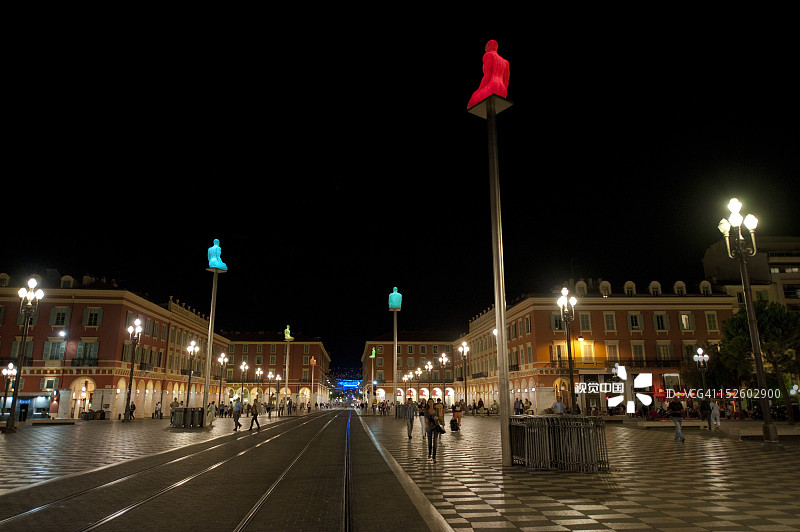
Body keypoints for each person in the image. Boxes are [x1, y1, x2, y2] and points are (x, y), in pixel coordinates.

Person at [467, 40, 511, 109]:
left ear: (488, 46)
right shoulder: (506, 62)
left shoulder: (488, 55)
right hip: (503, 91)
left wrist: (478, 90)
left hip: (492, 86)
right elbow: (506, 82)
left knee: (470, 103)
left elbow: (487, 76)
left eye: (486, 47)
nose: (485, 49)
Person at [425, 399, 441, 463]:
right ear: (428, 403)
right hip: (429, 426)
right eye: (429, 402)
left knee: (435, 442)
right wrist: (426, 425)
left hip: (436, 426)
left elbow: (439, 416)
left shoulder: (436, 409)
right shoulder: (426, 410)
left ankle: (434, 457)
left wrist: (437, 418)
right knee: (429, 441)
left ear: (433, 403)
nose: (430, 403)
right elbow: (425, 418)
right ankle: (429, 452)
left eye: (431, 402)